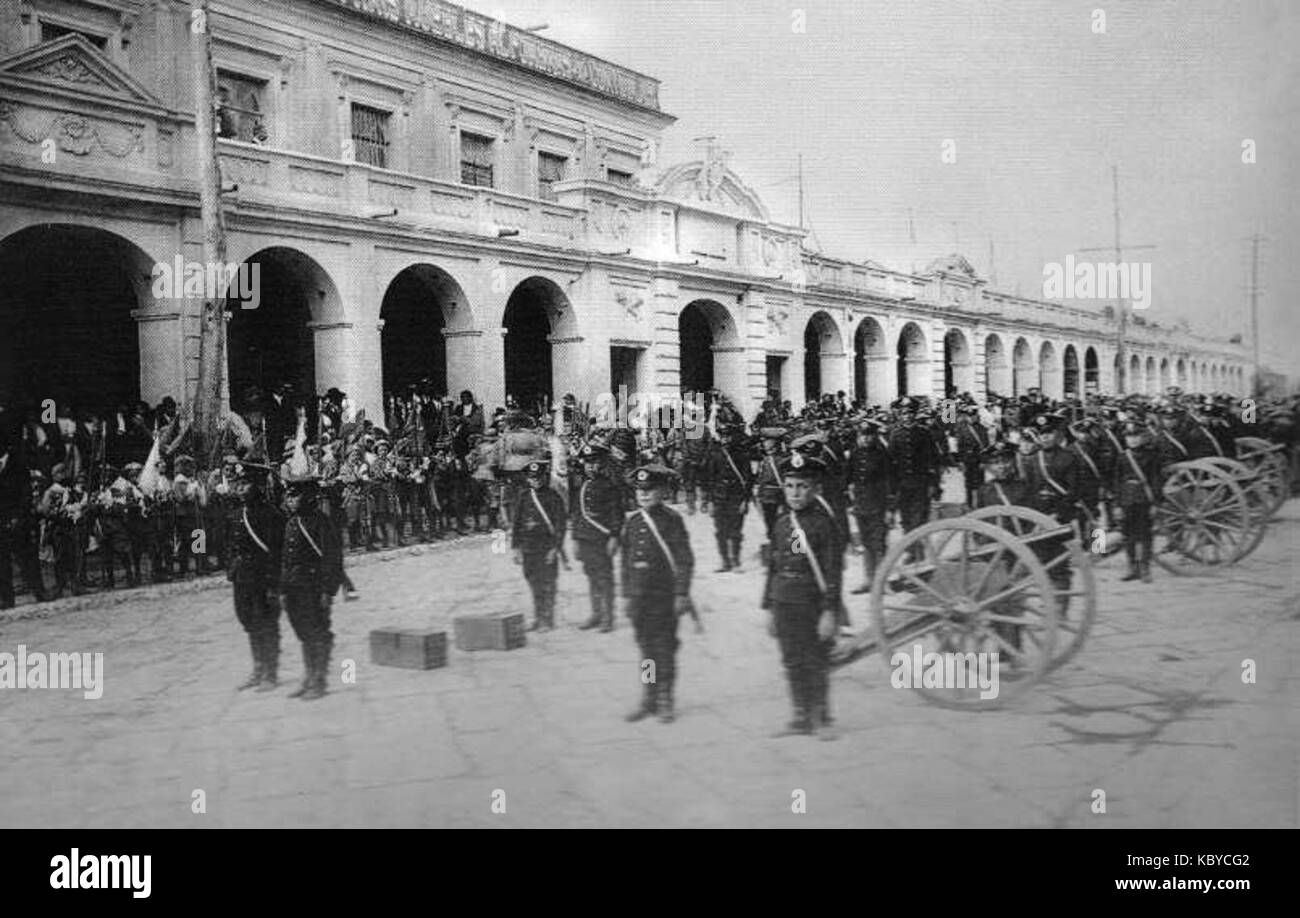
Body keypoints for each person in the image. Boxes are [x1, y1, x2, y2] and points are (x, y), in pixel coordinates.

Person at [761, 452, 841, 738]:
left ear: (815, 489)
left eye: (803, 486)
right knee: (791, 660)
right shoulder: (782, 523)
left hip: (812, 603)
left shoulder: (823, 523)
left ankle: (821, 717)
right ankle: (799, 716)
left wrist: (830, 612)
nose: (795, 493)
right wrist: (769, 607)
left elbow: (833, 570)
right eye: (790, 486)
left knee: (815, 660)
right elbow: (773, 566)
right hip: (784, 601)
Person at [618, 464, 694, 723]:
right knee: (646, 651)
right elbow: (626, 561)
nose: (644, 495)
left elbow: (684, 559)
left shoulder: (672, 521)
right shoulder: (633, 521)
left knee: (664, 649)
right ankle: (648, 698)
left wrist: (682, 594)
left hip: (664, 598)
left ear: (662, 492)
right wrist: (626, 595)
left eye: (650, 490)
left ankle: (665, 699)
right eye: (640, 490)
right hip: (640, 598)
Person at [280, 478, 345, 701]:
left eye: (295, 495)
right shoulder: (291, 522)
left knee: (318, 631)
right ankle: (308, 677)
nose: (290, 500)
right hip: (293, 586)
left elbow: (332, 557)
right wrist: (282, 589)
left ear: (308, 496)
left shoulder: (321, 522)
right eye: (288, 496)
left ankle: (319, 680)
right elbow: (285, 560)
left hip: (314, 587)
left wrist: (328, 590)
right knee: (303, 632)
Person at [227, 470, 285, 690]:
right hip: (242, 576)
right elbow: (231, 544)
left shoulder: (271, 514)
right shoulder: (237, 512)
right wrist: (231, 567)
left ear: (259, 486)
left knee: (267, 622)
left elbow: (277, 552)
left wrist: (273, 584)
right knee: (248, 621)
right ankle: (258, 668)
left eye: (245, 484)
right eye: (239, 484)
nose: (240, 488)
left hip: (263, 577)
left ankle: (271, 673)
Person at [510, 459, 567, 632]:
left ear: (545, 477)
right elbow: (517, 522)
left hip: (545, 548)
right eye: (532, 478)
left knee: (547, 584)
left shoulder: (553, 496)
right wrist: (515, 547)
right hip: (528, 548)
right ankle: (537, 617)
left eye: (539, 477)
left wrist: (555, 548)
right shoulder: (524, 496)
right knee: (533, 583)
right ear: (528, 479)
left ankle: (547, 620)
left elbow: (560, 525)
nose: (536, 481)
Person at [571, 444, 622, 632]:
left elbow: (617, 513)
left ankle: (608, 617)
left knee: (604, 577)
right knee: (591, 576)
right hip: (585, 538)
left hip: (602, 537)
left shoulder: (610, 486)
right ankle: (596, 613)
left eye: (595, 463)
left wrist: (615, 537)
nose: (591, 467)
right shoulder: (582, 485)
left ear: (602, 463)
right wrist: (575, 538)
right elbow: (577, 513)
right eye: (588, 463)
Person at [848, 418, 893, 594]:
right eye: (862, 435)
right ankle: (868, 580)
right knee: (867, 544)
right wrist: (850, 502)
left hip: (878, 505)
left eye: (868, 436)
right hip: (861, 505)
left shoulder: (882, 454)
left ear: (874, 436)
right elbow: (848, 478)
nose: (865, 439)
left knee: (880, 544)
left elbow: (890, 483)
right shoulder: (855, 454)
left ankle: (883, 582)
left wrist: (890, 509)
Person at [1114, 419, 1162, 583]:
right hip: (1127, 499)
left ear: (1143, 437)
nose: (1132, 440)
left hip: (1144, 499)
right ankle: (1131, 567)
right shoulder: (1122, 457)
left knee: (1145, 535)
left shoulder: (1152, 456)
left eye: (1136, 436)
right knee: (1128, 535)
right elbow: (1117, 481)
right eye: (1129, 437)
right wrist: (1117, 505)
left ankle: (1145, 569)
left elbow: (1156, 480)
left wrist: (1155, 503)